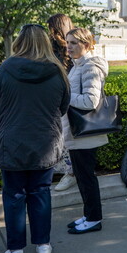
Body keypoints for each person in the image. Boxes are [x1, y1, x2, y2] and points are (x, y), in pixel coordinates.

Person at [0, 24, 70, 253]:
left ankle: (16, 250)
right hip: (45, 142)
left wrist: (4, 119)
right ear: (44, 42)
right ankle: (43, 245)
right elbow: (62, 106)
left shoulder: (7, 68)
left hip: (12, 142)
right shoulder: (57, 71)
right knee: (41, 192)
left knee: (14, 195)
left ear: (20, 41)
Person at [62, 27, 109, 235]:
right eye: (67, 42)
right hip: (76, 133)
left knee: (86, 177)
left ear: (87, 45)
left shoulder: (91, 66)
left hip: (84, 134)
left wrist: (62, 98)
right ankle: (89, 214)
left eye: (74, 43)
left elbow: (91, 100)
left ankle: (94, 218)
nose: (68, 47)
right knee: (82, 177)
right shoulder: (77, 65)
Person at [47, 13, 77, 192]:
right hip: (58, 97)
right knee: (59, 137)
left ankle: (70, 173)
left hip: (67, 97)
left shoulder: (70, 45)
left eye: (50, 27)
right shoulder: (54, 47)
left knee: (66, 138)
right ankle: (63, 170)